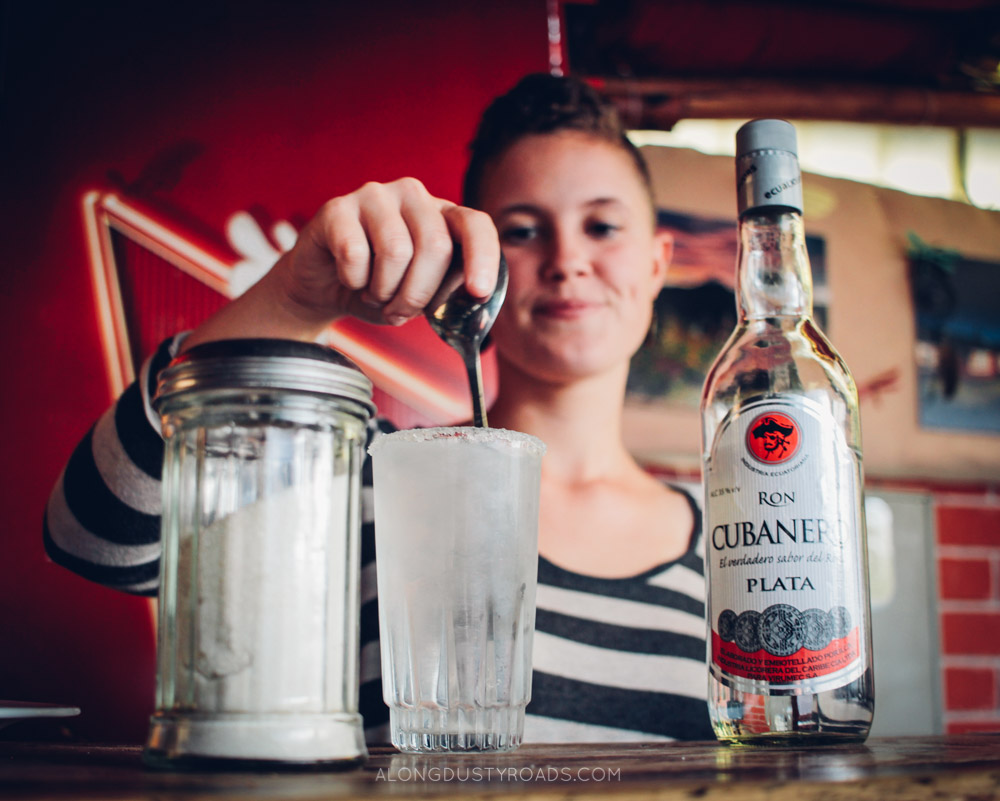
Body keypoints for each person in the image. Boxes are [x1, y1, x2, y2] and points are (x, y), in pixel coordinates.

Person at [44, 73, 712, 742]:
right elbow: (96, 537)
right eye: (523, 230)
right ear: (472, 266)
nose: (567, 259)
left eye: (602, 226)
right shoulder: (368, 475)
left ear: (658, 263)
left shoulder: (734, 542)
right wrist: (294, 299)